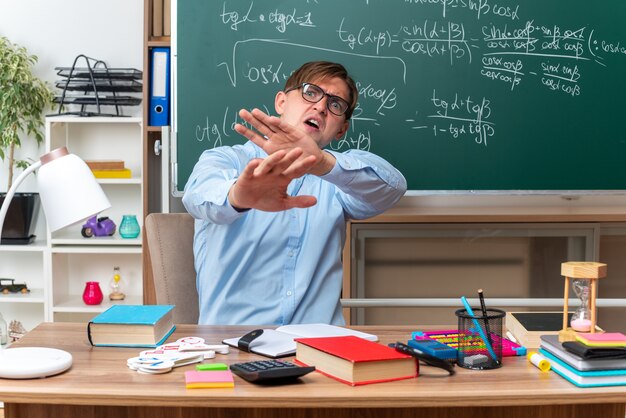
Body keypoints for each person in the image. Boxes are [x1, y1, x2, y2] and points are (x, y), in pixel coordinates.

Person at [182, 61, 406, 325]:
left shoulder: (340, 178)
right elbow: (197, 196)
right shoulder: (225, 160)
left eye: (335, 105)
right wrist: (239, 197)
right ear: (281, 102)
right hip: (234, 342)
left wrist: (321, 163)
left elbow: (392, 188)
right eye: (310, 92)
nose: (321, 107)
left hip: (319, 347)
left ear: (341, 130)